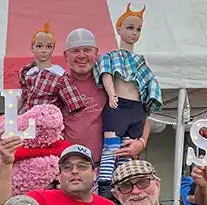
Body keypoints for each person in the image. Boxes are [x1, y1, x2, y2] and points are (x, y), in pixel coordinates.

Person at [61, 28, 148, 161]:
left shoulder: (111, 83)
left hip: (107, 165)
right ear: (65, 56)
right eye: (75, 51)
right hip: (69, 165)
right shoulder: (58, 85)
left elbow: (143, 113)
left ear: (96, 52)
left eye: (87, 50)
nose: (82, 56)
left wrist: (141, 142)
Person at [95, 4, 162, 145]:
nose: (134, 33)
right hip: (119, 104)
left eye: (138, 29)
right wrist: (111, 93)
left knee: (127, 154)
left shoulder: (141, 61)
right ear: (119, 28)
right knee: (111, 149)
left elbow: (149, 83)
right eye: (130, 28)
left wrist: (146, 105)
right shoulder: (111, 56)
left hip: (137, 108)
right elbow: (106, 73)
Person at [19, 22, 91, 116]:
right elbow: (24, 98)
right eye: (39, 46)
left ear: (53, 49)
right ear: (32, 48)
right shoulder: (28, 73)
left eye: (48, 46)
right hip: (28, 121)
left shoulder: (59, 77)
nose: (44, 50)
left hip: (49, 122)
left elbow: (75, 104)